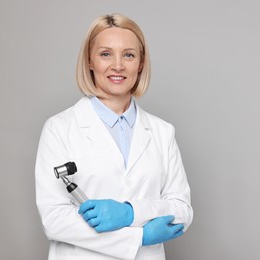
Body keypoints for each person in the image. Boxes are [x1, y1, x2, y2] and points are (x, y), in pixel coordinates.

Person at [35, 13, 193, 260]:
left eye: (129, 55)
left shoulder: (163, 132)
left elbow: (182, 210)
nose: (117, 65)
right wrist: (138, 237)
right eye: (105, 54)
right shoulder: (59, 128)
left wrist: (130, 212)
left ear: (140, 63)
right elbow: (55, 220)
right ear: (90, 61)